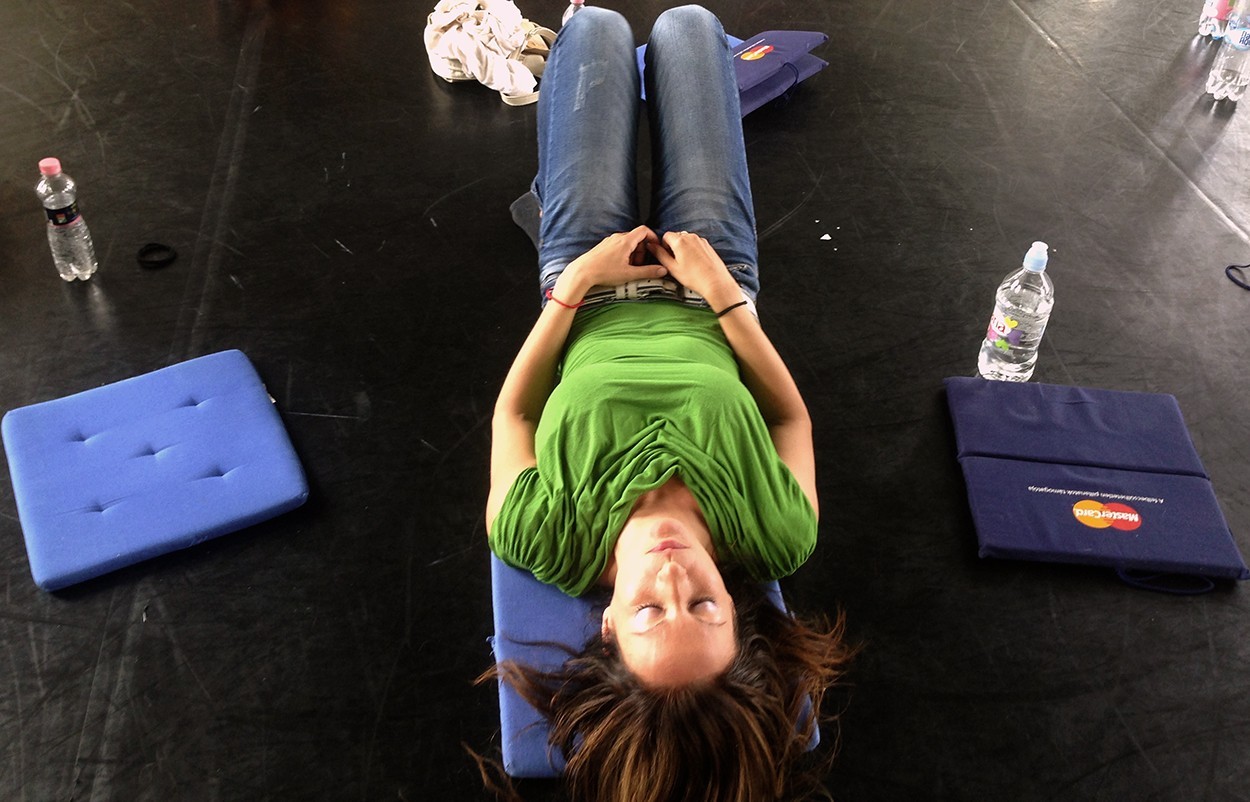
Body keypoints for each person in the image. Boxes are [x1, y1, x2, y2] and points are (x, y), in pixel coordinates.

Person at [482, 5, 855, 801]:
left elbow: (514, 416)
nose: (673, 572)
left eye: (652, 611)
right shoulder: (776, 533)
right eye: (704, 604)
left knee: (596, 31)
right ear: (737, 612)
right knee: (689, 24)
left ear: (607, 626)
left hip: (587, 278)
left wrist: (575, 287)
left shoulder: (543, 535)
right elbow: (789, 418)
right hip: (712, 276)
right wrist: (723, 295)